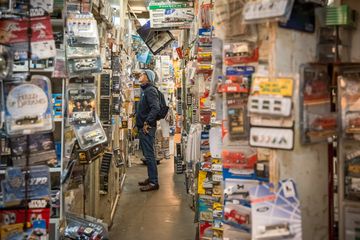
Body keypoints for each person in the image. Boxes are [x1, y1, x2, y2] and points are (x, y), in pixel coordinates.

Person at [136, 69, 161, 191]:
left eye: (142, 74)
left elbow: (155, 108)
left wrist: (147, 122)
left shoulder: (150, 90)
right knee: (147, 154)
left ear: (148, 77)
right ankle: (151, 177)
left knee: (150, 155)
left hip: (147, 128)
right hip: (144, 127)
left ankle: (153, 182)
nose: (140, 75)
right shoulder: (145, 90)